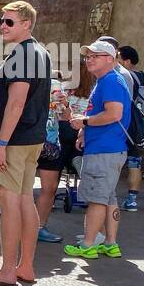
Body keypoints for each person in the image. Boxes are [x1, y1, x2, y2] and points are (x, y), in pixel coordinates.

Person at [0, 0, 51, 286]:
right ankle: (26, 267)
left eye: (9, 22)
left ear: (26, 24)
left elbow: (17, 103)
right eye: (1, 20)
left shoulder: (23, 55)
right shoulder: (39, 52)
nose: (2, 26)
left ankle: (8, 270)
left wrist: (1, 143)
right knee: (23, 202)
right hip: (31, 138)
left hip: (15, 140)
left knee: (9, 203)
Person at [64, 41, 131, 259]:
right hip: (110, 149)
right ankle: (110, 243)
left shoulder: (110, 81)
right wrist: (85, 131)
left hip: (104, 150)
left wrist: (84, 122)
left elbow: (114, 114)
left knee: (96, 199)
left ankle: (88, 244)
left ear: (110, 59)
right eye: (88, 56)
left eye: (96, 56)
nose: (90, 59)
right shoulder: (107, 81)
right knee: (109, 198)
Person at [35, 64, 91, 243]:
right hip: (50, 141)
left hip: (23, 139)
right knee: (48, 188)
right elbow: (65, 114)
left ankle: (17, 225)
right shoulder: (55, 87)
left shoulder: (20, 82)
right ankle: (38, 227)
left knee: (20, 188)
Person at [116, 45, 144, 210]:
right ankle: (132, 200)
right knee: (135, 164)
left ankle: (108, 199)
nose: (116, 61)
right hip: (142, 128)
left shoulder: (123, 76)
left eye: (119, 58)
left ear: (127, 61)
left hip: (125, 126)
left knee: (114, 163)